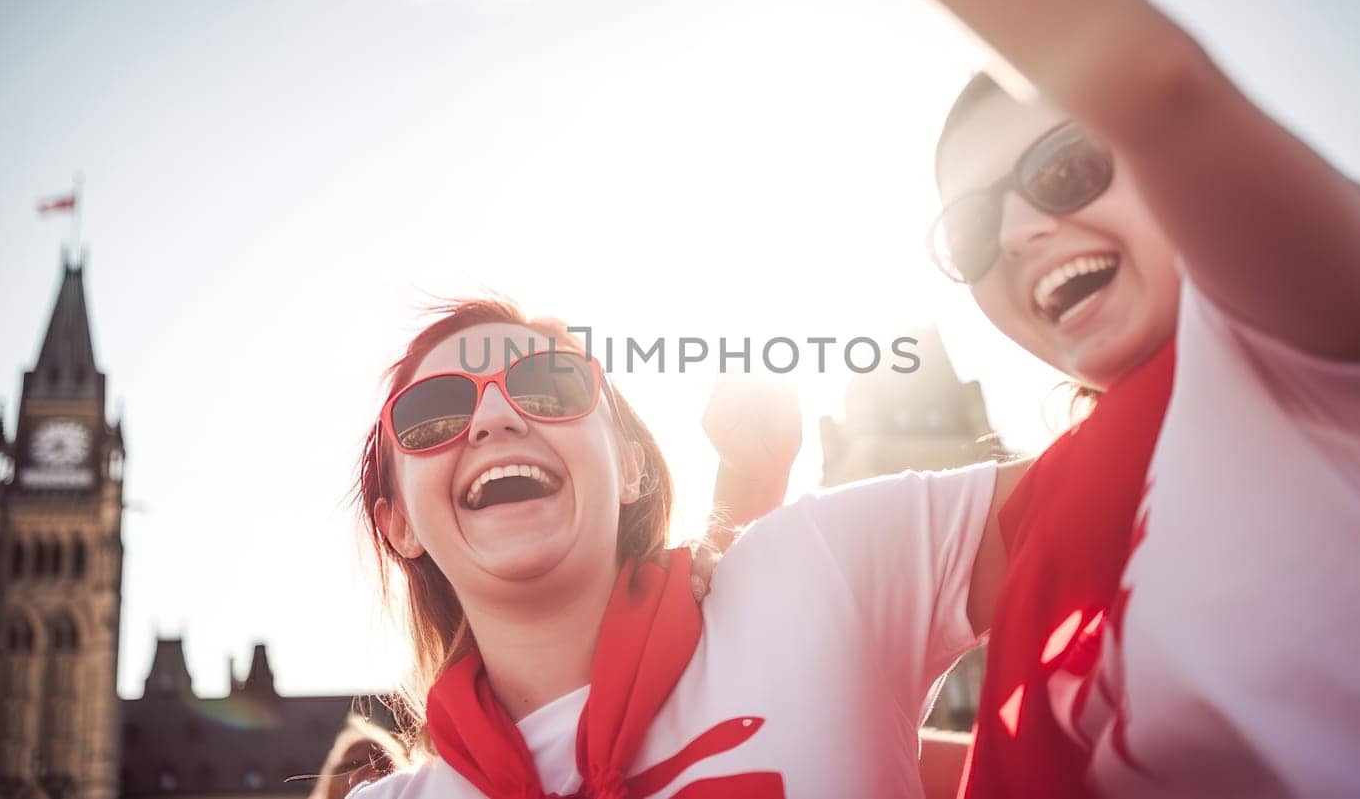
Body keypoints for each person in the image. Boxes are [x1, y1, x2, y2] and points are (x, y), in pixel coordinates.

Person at [780, 0, 1360, 796]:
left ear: (1165, 169)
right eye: (973, 229)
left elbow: (1158, 82)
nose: (1026, 229)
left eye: (1066, 168)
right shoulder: (1064, 503)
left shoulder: (1325, 347)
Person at [343, 297, 1026, 798]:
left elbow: (1112, 487)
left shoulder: (821, 571)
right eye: (432, 413)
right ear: (397, 521)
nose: (494, 417)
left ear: (631, 465)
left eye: (549, 386)